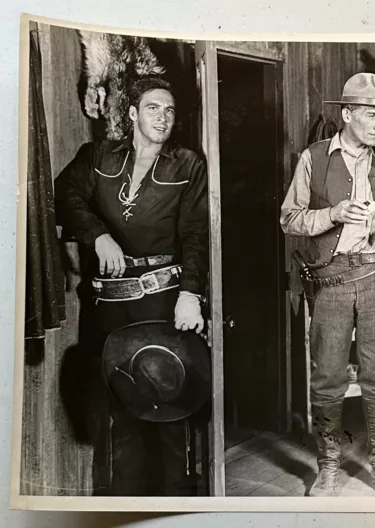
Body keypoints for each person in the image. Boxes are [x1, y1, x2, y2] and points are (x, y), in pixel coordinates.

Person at [55, 75, 209, 496]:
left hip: (162, 299)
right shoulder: (98, 156)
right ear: (132, 113)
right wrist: (96, 234)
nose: (164, 117)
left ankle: (179, 504)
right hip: (108, 305)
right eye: (155, 108)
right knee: (120, 411)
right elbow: (64, 194)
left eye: (170, 110)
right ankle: (127, 507)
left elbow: (196, 234)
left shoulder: (188, 164)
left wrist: (190, 296)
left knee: (170, 407)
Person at [280, 72, 375, 497]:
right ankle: (328, 466)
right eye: (369, 114)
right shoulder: (314, 157)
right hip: (330, 280)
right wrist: (333, 214)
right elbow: (289, 218)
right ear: (346, 114)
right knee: (328, 379)